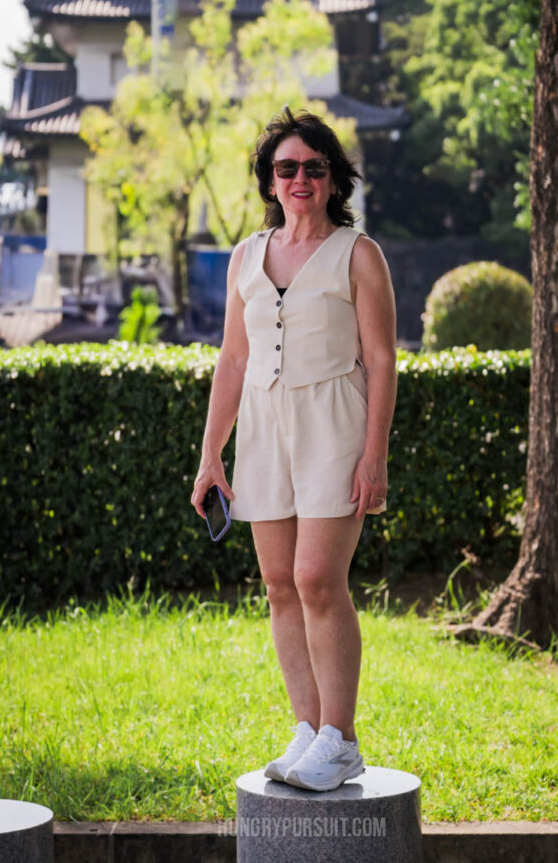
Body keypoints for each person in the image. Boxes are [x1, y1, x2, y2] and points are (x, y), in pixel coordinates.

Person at [191, 107, 397, 792]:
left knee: (316, 580)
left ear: (334, 177)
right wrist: (210, 455)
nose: (299, 177)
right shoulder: (247, 256)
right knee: (279, 587)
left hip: (334, 422)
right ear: (269, 180)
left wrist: (375, 457)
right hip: (261, 427)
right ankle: (308, 731)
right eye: (286, 167)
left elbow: (381, 360)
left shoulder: (357, 253)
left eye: (313, 166)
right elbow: (230, 359)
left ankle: (341, 739)